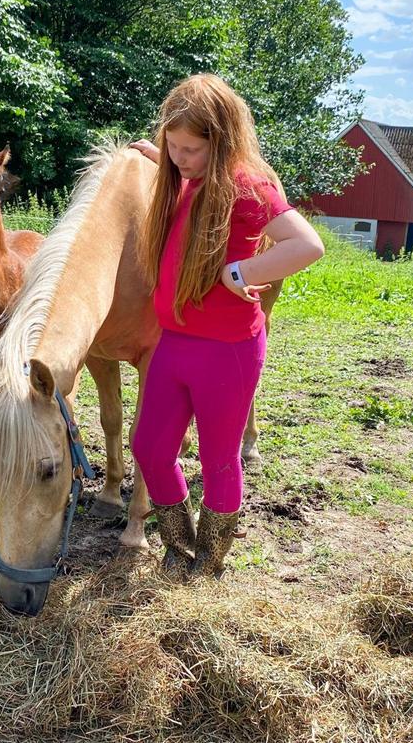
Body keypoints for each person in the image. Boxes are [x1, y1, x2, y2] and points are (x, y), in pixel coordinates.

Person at [129, 75, 324, 576]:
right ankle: (178, 544)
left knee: (218, 460)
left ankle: (210, 563)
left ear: (221, 140)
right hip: (174, 342)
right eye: (172, 146)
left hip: (227, 350)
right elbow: (179, 169)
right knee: (149, 448)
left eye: (190, 149)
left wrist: (241, 271)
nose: (179, 158)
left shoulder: (247, 184)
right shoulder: (187, 178)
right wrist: (159, 155)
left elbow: (307, 245)